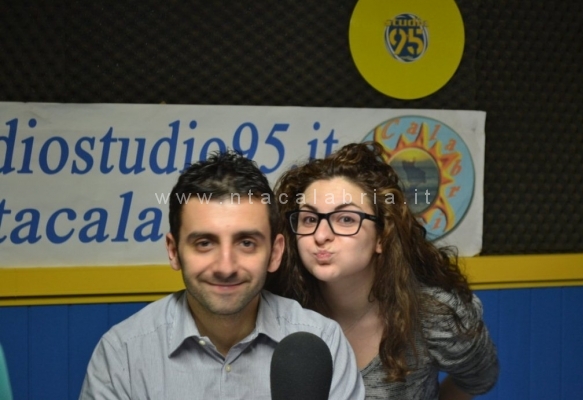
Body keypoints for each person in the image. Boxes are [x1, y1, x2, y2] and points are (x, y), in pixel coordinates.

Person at [80, 150, 365, 399]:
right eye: (204, 243)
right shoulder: (123, 354)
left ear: (275, 253)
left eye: (246, 243)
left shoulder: (323, 340)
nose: (226, 267)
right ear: (174, 251)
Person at [268, 142, 499, 400]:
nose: (321, 236)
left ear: (382, 236)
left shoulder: (435, 316)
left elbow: (478, 377)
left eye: (346, 219)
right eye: (310, 219)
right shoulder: (274, 312)